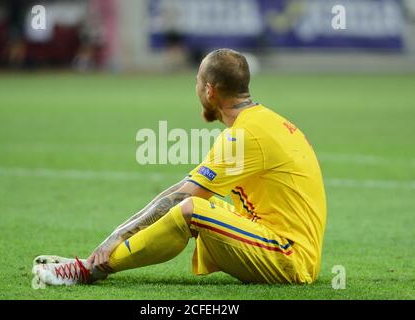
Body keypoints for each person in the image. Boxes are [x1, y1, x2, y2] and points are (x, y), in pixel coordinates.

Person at [32, 48, 327, 286]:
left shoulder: (243, 135)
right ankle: (92, 261)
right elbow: (180, 190)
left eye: (197, 81)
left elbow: (185, 199)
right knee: (193, 204)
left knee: (191, 209)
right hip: (289, 246)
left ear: (210, 90)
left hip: (290, 258)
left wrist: (116, 238)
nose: (195, 87)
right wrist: (116, 234)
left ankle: (90, 270)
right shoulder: (265, 122)